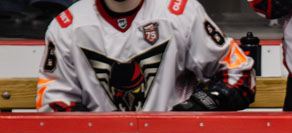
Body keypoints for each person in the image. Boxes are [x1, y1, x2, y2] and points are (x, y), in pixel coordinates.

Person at [37, 0, 255, 112]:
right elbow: (55, 104)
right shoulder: (67, 27)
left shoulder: (181, 12)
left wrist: (198, 107)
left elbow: (240, 74)